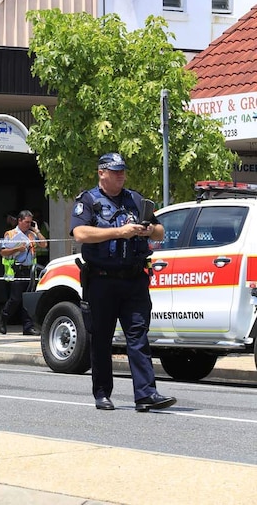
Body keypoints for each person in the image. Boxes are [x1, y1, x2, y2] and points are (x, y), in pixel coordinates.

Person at [71, 152, 175, 412]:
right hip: (102, 280)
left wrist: (149, 229)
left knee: (138, 336)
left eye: (123, 171)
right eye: (115, 171)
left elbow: (161, 231)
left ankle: (145, 395)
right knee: (102, 338)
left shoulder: (135, 199)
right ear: (101, 173)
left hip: (134, 279)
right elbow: (80, 233)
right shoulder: (89, 200)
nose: (121, 175)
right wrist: (119, 232)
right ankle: (102, 393)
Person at [0, 210, 46, 335]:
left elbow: (44, 244)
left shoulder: (31, 234)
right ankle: (3, 317)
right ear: (19, 221)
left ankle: (28, 326)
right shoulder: (10, 234)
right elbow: (3, 252)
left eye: (31, 222)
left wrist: (37, 231)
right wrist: (17, 249)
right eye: (26, 222)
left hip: (30, 270)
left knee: (28, 299)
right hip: (17, 270)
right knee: (16, 299)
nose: (28, 225)